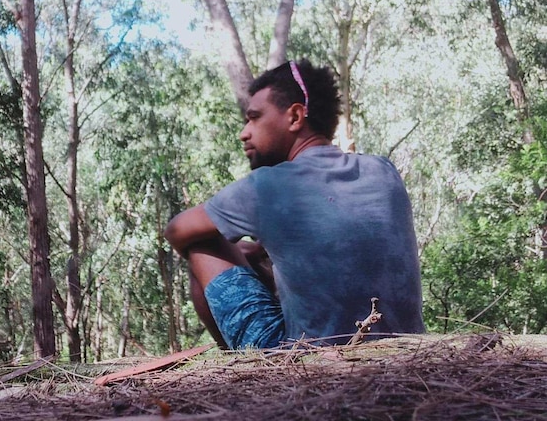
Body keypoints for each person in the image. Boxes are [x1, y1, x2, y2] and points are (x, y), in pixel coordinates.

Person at [165, 60, 425, 350]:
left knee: (202, 241)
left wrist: (238, 252)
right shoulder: (383, 169)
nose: (244, 132)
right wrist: (268, 251)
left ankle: (243, 368)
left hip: (306, 358)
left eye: (254, 117)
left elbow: (176, 230)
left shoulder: (265, 186)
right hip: (405, 348)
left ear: (295, 116)